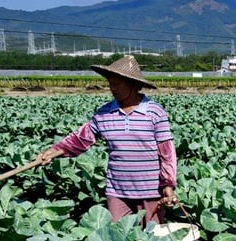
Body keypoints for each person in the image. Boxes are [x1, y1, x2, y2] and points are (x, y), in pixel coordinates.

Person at [36, 55, 178, 225]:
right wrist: (52, 152)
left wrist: (168, 185)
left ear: (133, 84)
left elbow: (167, 152)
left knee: (152, 238)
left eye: (117, 84)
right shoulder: (104, 113)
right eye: (111, 83)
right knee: (117, 237)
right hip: (117, 190)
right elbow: (80, 139)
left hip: (150, 190)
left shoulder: (154, 112)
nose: (113, 88)